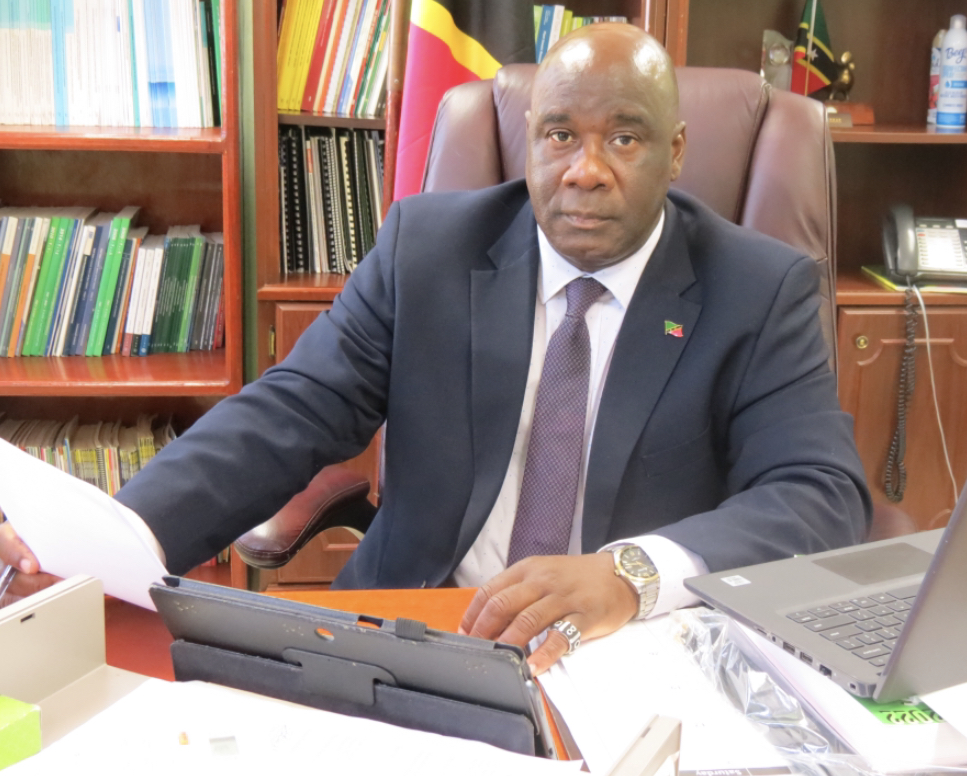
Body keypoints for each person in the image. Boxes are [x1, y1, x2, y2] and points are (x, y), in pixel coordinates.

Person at [0, 23, 870, 674]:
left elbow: (819, 492)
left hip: (624, 646)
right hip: (415, 628)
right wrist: (108, 545)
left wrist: (629, 573)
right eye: (559, 134)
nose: (585, 168)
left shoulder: (759, 289)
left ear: (675, 152)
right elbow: (291, 411)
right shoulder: (429, 248)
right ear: (530, 144)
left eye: (625, 137)